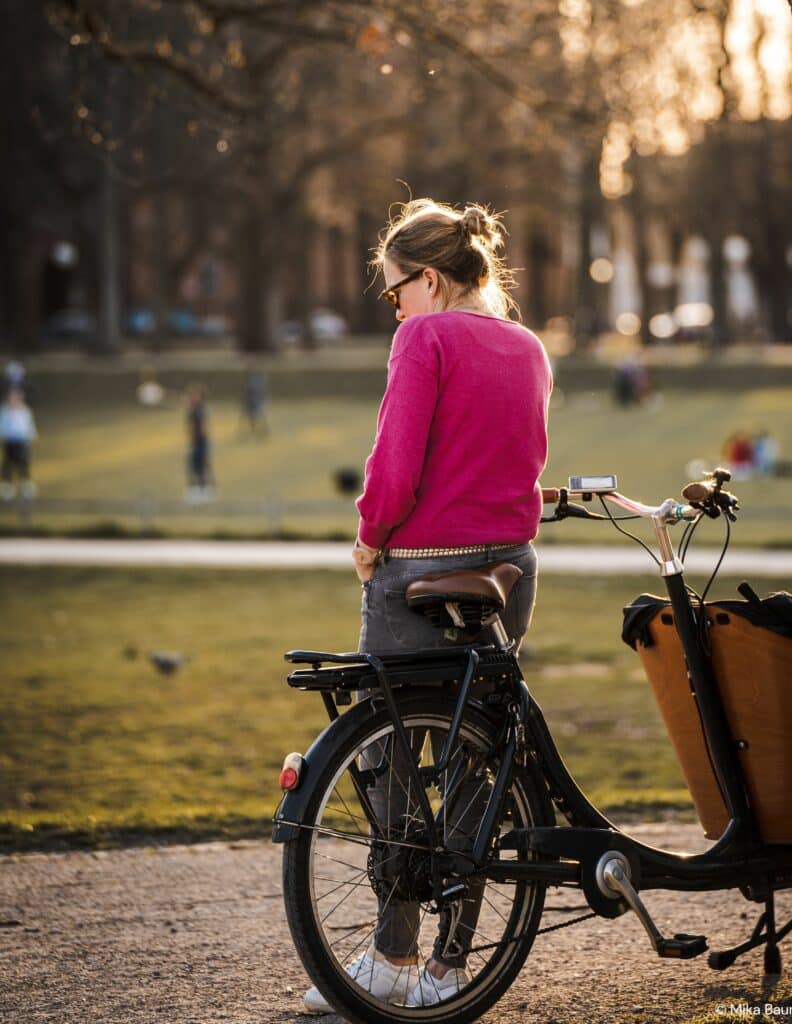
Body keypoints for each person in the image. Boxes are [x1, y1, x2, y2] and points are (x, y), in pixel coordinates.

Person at [301, 199, 552, 1014]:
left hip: (419, 570)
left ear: (431, 279)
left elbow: (396, 463)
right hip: (507, 570)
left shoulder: (424, 337)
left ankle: (392, 959)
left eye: (395, 288)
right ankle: (452, 967)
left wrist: (370, 534)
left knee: (389, 757)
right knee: (478, 760)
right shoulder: (527, 345)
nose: (395, 304)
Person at [0, 388, 37, 500]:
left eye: (16, 397)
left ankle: (25, 485)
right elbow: (2, 426)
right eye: (12, 398)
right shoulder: (5, 411)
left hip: (22, 442)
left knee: (24, 464)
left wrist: (31, 436)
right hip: (10, 442)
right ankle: (7, 487)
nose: (14, 400)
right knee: (8, 464)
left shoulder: (25, 411)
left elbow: (29, 425)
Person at [184, 384, 214, 501]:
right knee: (197, 467)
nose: (192, 397)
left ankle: (203, 491)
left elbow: (201, 428)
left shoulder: (200, 410)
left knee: (200, 467)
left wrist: (198, 440)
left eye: (195, 395)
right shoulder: (195, 409)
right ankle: (201, 490)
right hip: (197, 442)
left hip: (200, 442)